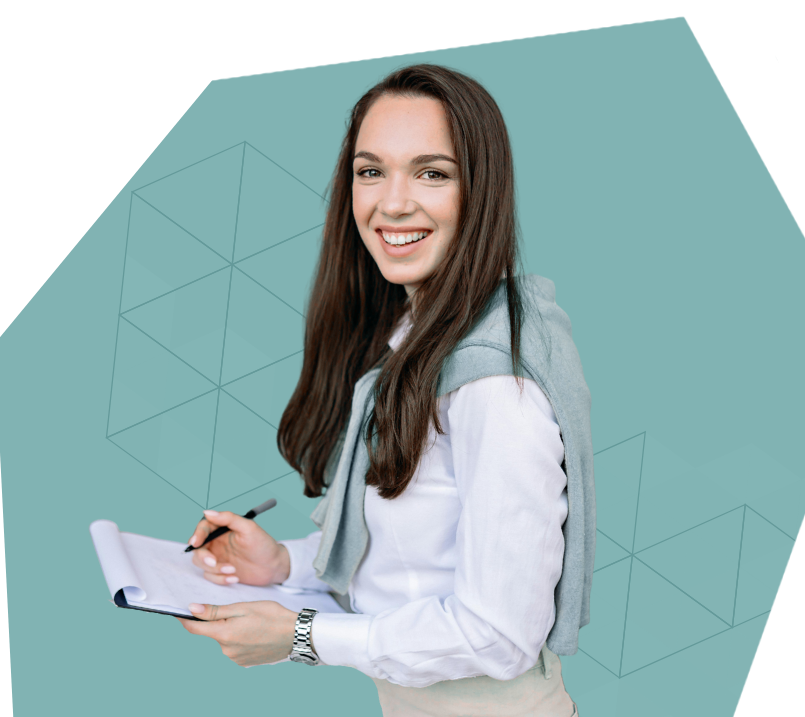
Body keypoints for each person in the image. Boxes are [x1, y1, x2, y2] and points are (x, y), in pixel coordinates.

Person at [176, 63, 593, 717]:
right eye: (371, 170)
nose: (391, 202)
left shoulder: (492, 382)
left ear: (480, 190)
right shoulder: (413, 337)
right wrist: (284, 564)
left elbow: (499, 633)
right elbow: (413, 559)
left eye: (432, 171)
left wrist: (303, 637)